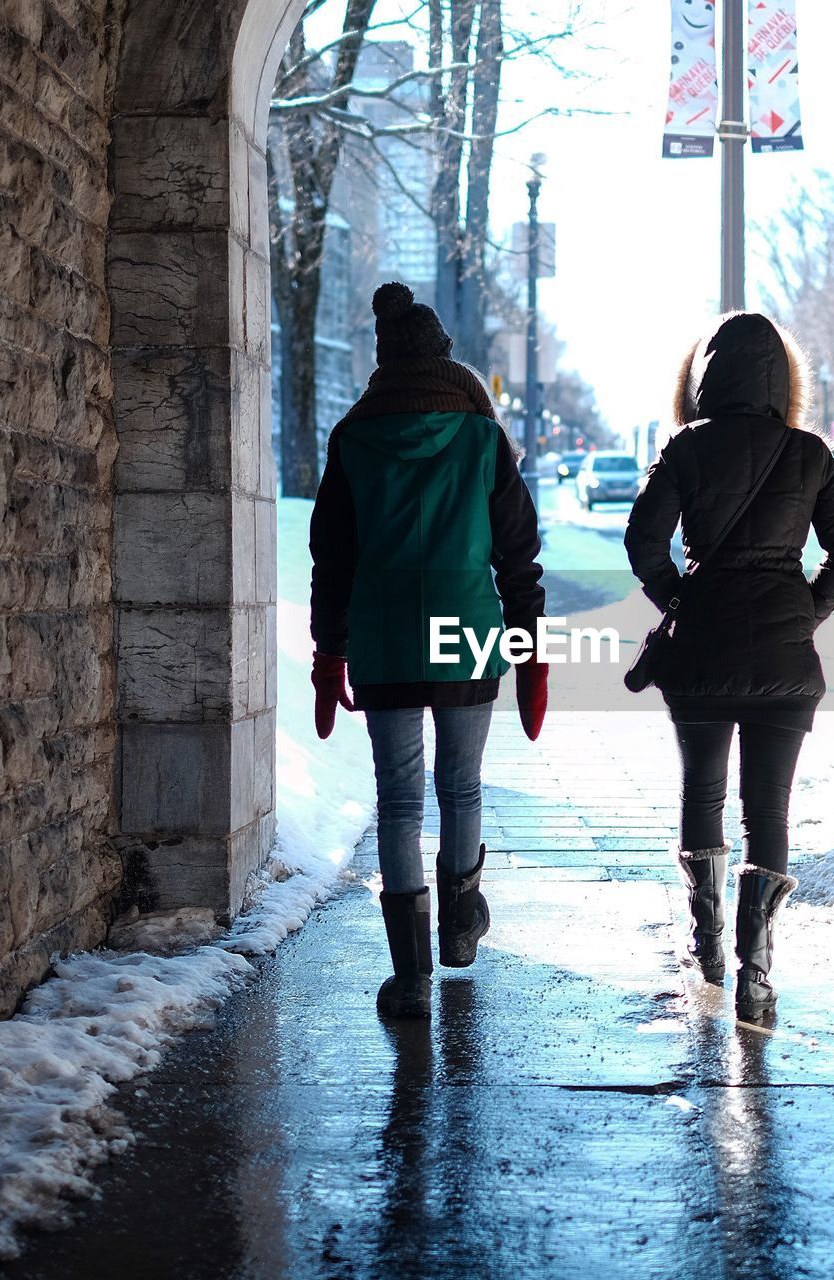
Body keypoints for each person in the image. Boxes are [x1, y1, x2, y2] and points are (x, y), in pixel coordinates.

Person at [309, 282, 547, 1020]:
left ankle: (410, 977)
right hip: (468, 633)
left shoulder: (353, 438)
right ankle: (460, 926)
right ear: (444, 357)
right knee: (462, 788)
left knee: (400, 802)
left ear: (383, 360)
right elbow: (517, 554)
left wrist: (330, 653)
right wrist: (531, 649)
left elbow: (332, 558)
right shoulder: (481, 437)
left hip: (384, 637)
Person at [624, 312, 834, 1022]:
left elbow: (644, 542)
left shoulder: (683, 449)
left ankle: (704, 945)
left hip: (700, 650)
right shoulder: (809, 453)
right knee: (771, 811)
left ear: (703, 378)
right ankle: (755, 975)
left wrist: (680, 598)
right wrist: (806, 612)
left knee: (702, 793)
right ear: (782, 378)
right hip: (783, 658)